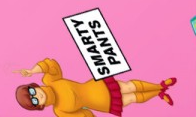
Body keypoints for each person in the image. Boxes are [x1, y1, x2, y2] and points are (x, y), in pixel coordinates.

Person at [14, 58, 177, 115]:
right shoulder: (59, 111)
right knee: (132, 98)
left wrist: (32, 70)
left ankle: (160, 85)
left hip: (97, 87)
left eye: (32, 92)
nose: (37, 96)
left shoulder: (51, 80)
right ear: (38, 106)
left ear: (34, 86)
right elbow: (84, 115)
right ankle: (159, 94)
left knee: (128, 87)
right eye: (34, 101)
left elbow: (50, 64)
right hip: (101, 103)